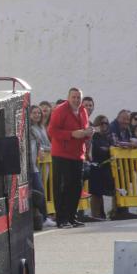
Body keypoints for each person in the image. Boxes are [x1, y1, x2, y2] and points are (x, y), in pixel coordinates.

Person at [47, 87, 93, 228]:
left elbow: (84, 129)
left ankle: (72, 218)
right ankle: (62, 219)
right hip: (61, 154)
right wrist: (72, 134)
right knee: (62, 188)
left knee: (76, 187)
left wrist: (88, 132)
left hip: (77, 154)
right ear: (68, 97)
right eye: (74, 97)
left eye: (78, 97)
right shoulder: (60, 110)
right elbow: (51, 131)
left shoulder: (83, 111)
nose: (76, 100)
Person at [28, 105, 54, 226]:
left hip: (39, 165)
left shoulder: (42, 127)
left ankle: (42, 217)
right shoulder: (30, 129)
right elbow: (40, 144)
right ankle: (43, 218)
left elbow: (46, 144)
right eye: (34, 113)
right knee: (40, 190)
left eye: (38, 113)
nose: (37, 115)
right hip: (32, 165)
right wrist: (48, 148)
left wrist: (48, 148)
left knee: (39, 191)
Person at [88, 114, 114, 219]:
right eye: (101, 123)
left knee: (107, 190)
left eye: (106, 123)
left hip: (105, 167)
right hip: (95, 167)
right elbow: (97, 150)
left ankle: (109, 213)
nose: (104, 125)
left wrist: (107, 149)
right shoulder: (93, 136)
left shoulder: (107, 136)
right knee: (96, 193)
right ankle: (96, 214)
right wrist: (107, 149)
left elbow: (111, 148)